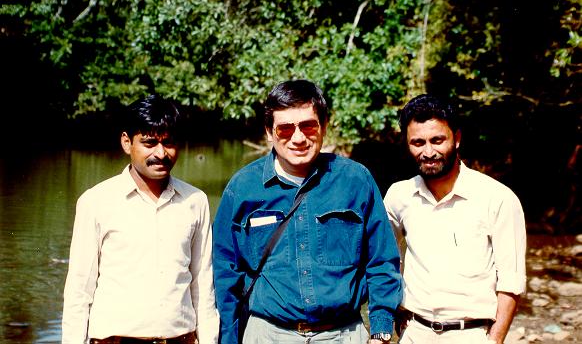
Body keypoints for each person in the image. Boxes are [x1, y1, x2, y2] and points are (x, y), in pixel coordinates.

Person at [212, 80, 402, 344]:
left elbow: (382, 262)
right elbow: (225, 274)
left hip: (345, 334)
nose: (298, 137)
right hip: (267, 334)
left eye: (308, 125)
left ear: (324, 126)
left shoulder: (356, 180)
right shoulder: (242, 188)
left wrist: (380, 331)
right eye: (285, 128)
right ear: (269, 132)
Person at [62, 94, 219, 344]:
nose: (161, 153)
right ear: (127, 143)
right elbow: (79, 292)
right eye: (149, 143)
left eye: (168, 142)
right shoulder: (96, 202)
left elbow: (203, 284)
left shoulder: (195, 201)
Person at [383, 94, 526, 344]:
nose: (428, 152)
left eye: (437, 140)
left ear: (457, 139)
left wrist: (494, 341)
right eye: (418, 142)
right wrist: (395, 313)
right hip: (414, 333)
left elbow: (511, 282)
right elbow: (382, 259)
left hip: (472, 334)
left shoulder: (498, 198)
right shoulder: (399, 196)